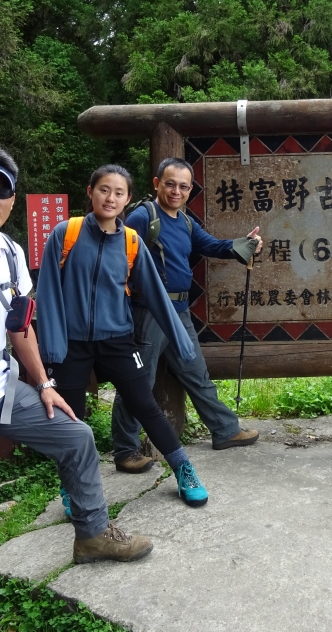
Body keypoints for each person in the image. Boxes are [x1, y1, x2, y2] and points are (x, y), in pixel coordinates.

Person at [0, 147, 153, 632]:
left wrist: (43, 383)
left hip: (2, 388)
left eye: (1, 191)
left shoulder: (13, 253)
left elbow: (20, 327)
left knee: (77, 438)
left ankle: (93, 535)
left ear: (13, 200)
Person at [36, 164, 210, 507]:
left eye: (118, 193)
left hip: (117, 339)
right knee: (71, 418)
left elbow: (156, 294)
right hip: (72, 344)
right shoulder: (65, 233)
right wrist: (53, 347)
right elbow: (48, 292)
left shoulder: (130, 241)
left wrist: (181, 340)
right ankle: (72, 487)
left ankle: (184, 470)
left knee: (145, 405)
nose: (110, 198)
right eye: (104, 190)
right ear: (90, 192)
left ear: (128, 199)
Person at [112, 156, 262, 472]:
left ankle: (225, 430)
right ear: (157, 184)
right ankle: (125, 450)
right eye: (170, 184)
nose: (176, 191)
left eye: (183, 186)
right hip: (148, 312)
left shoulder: (185, 221)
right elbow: (117, 256)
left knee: (196, 372)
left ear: (190, 188)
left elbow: (211, 246)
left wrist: (245, 245)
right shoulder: (143, 217)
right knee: (138, 381)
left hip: (179, 313)